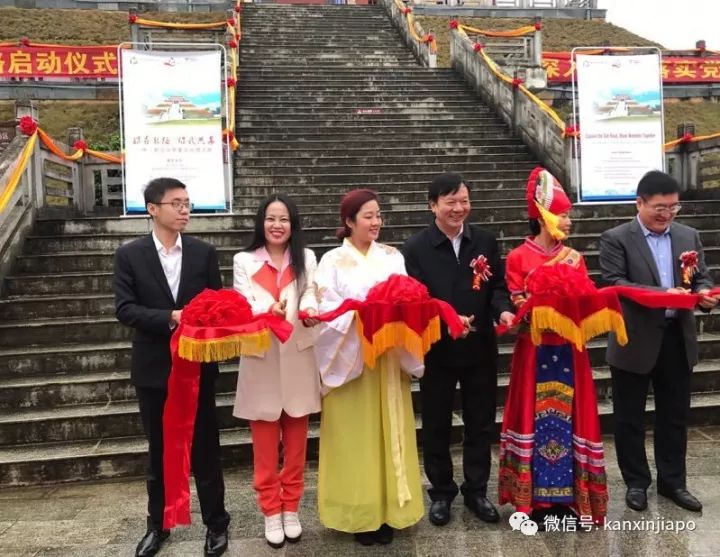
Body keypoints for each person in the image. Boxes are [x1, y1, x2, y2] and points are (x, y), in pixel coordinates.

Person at [113, 177, 230, 557]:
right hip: (154, 369)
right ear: (152, 209)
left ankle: (216, 523)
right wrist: (171, 317)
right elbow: (125, 309)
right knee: (160, 452)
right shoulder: (129, 255)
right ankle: (158, 525)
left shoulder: (203, 253)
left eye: (187, 203)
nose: (184, 210)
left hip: (196, 368)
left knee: (206, 450)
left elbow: (217, 303)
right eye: (176, 203)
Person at [599, 170, 717, 513]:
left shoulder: (688, 235)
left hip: (677, 337)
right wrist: (664, 294)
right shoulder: (616, 238)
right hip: (633, 339)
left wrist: (704, 295)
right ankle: (636, 482)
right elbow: (615, 283)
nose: (667, 214)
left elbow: (701, 277)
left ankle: (673, 482)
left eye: (673, 207)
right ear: (640, 203)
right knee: (629, 417)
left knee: (674, 415)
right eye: (660, 208)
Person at [402, 172, 514, 526]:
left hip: (480, 347)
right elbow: (416, 298)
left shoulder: (484, 241)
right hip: (437, 349)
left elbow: (497, 287)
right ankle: (441, 492)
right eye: (450, 202)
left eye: (464, 201)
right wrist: (446, 319)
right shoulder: (416, 247)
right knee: (436, 423)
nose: (458, 208)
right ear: (432, 205)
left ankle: (476, 490)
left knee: (480, 423)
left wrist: (503, 310)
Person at [314, 189, 425, 546]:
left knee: (390, 432)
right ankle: (359, 513)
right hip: (350, 360)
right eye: (368, 216)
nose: (376, 222)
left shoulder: (392, 257)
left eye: (378, 215)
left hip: (388, 357)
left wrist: (393, 316)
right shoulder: (331, 261)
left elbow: (408, 297)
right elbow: (324, 308)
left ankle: (390, 510)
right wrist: (364, 315)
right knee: (355, 438)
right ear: (349, 221)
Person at [498, 167, 608, 525]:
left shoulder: (575, 258)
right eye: (562, 215)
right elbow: (518, 301)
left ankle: (570, 498)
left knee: (572, 417)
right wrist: (538, 306)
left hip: (569, 350)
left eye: (569, 215)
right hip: (535, 348)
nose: (569, 221)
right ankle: (534, 499)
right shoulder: (518, 257)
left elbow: (587, 300)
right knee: (533, 415)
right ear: (544, 217)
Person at [231, 194, 320, 549]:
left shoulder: (306, 257)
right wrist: (269, 308)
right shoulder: (244, 260)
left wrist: (309, 309)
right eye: (271, 218)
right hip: (262, 358)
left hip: (298, 358)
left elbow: (311, 292)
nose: (277, 225)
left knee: (297, 445)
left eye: (283, 219)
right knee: (265, 447)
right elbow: (243, 301)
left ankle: (291, 508)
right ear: (261, 222)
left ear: (293, 224)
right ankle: (270, 510)